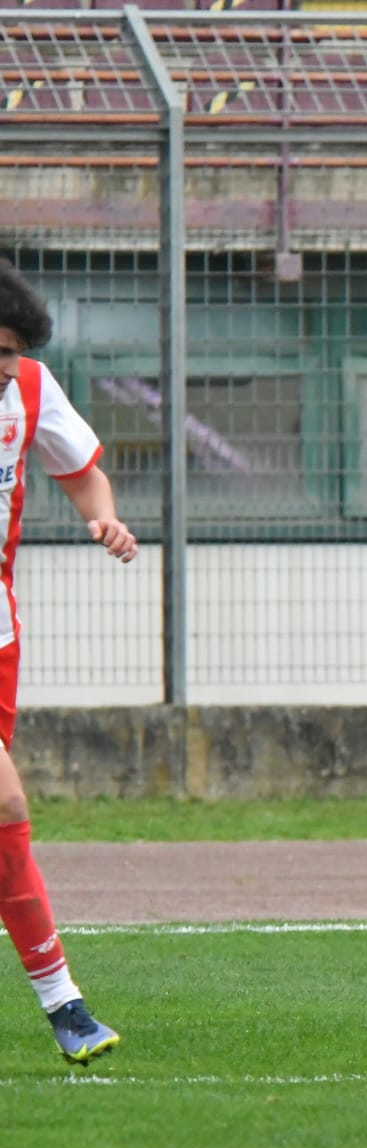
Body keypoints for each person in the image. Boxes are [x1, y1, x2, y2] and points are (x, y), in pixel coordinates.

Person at [0, 261, 138, 1067]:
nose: (8, 366)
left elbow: (82, 470)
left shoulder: (31, 389)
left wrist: (106, 519)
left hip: (2, 633)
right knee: (8, 806)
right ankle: (66, 1004)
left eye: (17, 351)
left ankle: (66, 1008)